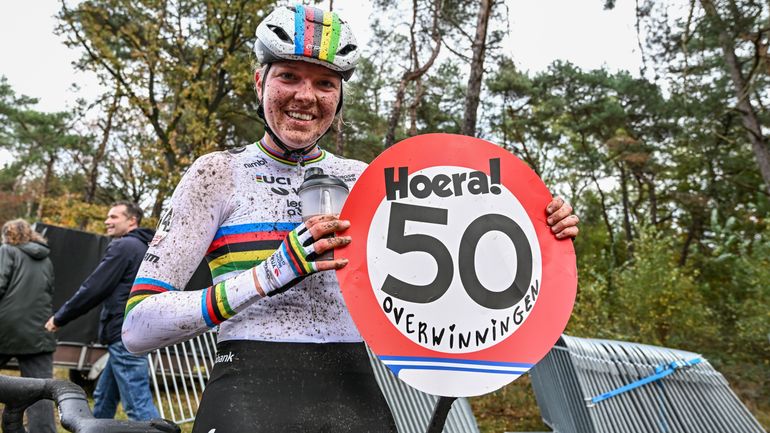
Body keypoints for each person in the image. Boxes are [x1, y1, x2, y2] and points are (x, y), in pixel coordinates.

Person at [121, 5, 580, 433]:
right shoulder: (217, 173)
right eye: (289, 76)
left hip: (353, 390)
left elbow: (458, 265)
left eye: (325, 83)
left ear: (339, 97)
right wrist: (269, 274)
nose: (306, 95)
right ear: (260, 82)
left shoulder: (366, 180)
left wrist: (540, 231)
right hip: (248, 386)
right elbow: (138, 327)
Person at [45, 201, 160, 421]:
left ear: (132, 220)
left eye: (114, 217)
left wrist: (60, 318)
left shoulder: (124, 246)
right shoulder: (145, 248)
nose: (107, 221)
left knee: (138, 406)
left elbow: (94, 288)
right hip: (134, 330)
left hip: (123, 332)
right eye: (107, 216)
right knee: (104, 396)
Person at [0, 219, 57, 433]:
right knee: (40, 391)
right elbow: (50, 290)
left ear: (8, 234)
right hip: (39, 330)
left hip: (5, 327)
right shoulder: (46, 258)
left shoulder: (7, 250)